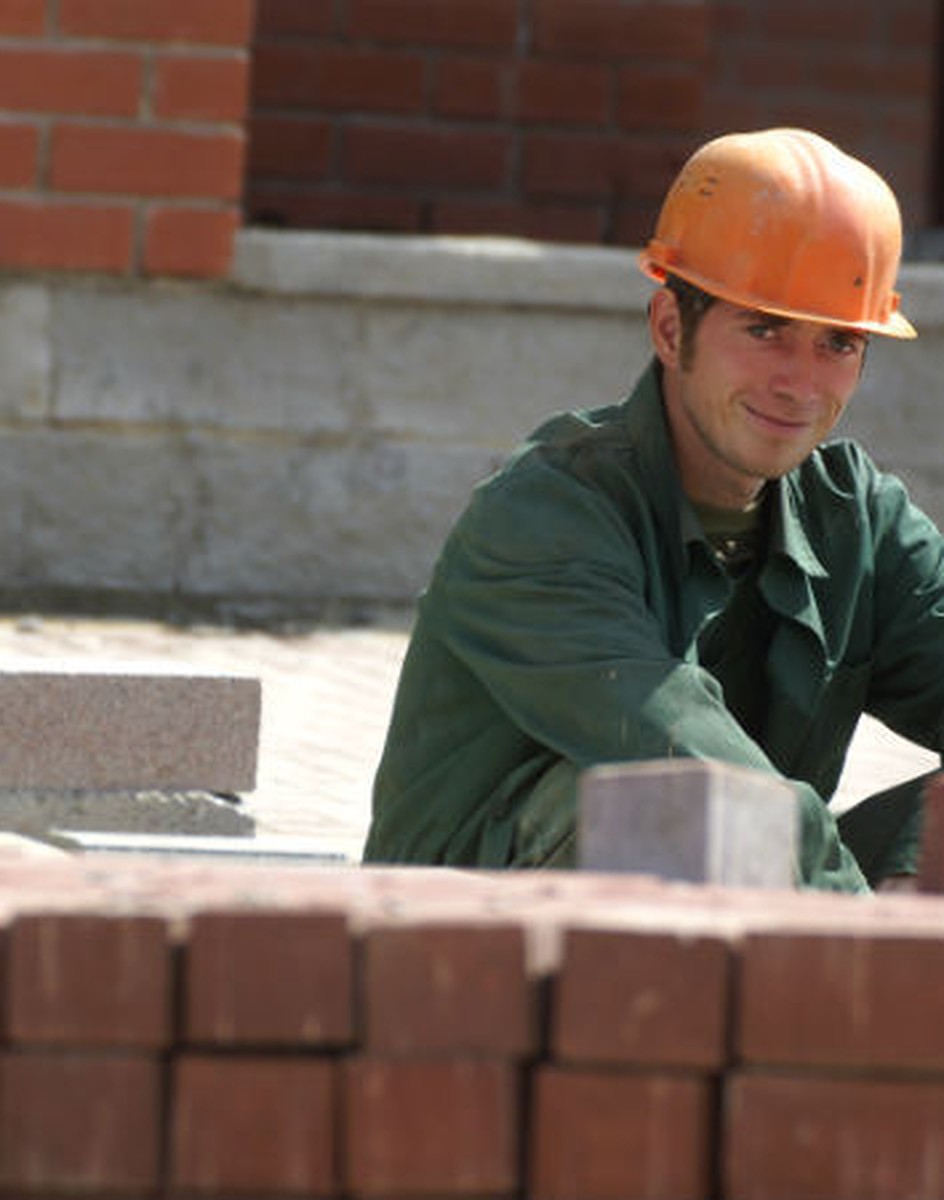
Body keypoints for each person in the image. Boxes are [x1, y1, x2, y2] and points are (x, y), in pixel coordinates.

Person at [363, 127, 944, 892]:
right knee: (664, 809)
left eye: (837, 343)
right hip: (461, 959)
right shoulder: (543, 519)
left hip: (740, 928)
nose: (801, 384)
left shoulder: (855, 518)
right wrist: (866, 942)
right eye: (765, 330)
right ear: (672, 328)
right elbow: (698, 776)